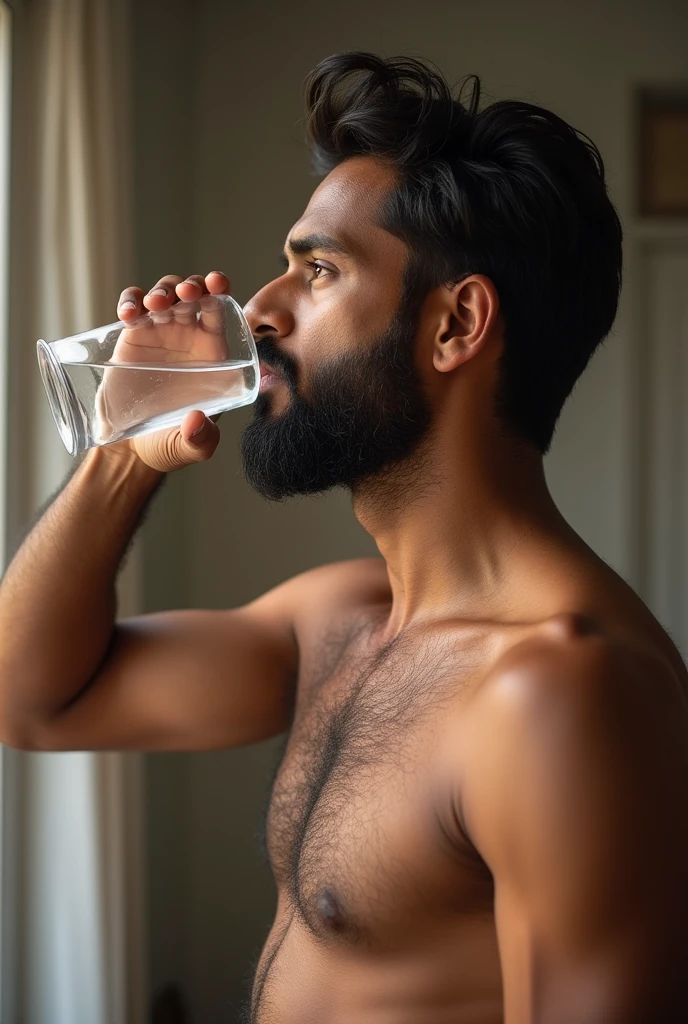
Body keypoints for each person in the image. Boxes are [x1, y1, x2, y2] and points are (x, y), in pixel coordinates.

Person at [1, 51, 687, 1024]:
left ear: (456, 324)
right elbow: (31, 702)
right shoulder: (341, 618)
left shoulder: (559, 691)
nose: (262, 309)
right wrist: (124, 454)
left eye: (317, 269)